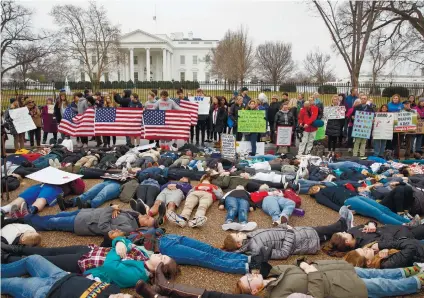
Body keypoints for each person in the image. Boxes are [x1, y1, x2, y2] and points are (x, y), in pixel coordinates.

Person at [235, 259, 424, 298]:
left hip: (337, 270)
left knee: (378, 274)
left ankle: (411, 271)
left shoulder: (273, 272)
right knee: (384, 286)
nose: (252, 275)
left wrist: (303, 264)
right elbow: (315, 296)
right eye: (249, 279)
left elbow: (297, 264)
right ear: (254, 290)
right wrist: (311, 272)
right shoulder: (278, 295)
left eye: (248, 274)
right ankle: (418, 282)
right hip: (340, 286)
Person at [222, 206, 354, 257]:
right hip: (299, 240)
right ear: (239, 244)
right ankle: (343, 223)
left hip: (296, 233)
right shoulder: (257, 249)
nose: (240, 232)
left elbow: (271, 233)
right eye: (237, 235)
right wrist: (290, 233)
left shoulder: (250, 236)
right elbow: (283, 253)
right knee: (325, 230)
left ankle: (343, 228)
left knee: (324, 233)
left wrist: (284, 227)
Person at [0, 255, 128, 298]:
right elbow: (104, 272)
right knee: (33, 259)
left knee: (12, 283)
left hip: (47, 292)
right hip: (61, 275)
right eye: (126, 296)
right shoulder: (114, 289)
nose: (121, 296)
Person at [13, 204, 155, 235]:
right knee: (54, 216)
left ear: (145, 227)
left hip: (83, 223)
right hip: (85, 213)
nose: (148, 216)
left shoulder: (129, 228)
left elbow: (104, 227)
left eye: (149, 220)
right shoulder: (133, 215)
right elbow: (119, 209)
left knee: (52, 223)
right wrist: (116, 209)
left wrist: (111, 209)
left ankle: (24, 219)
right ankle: (27, 218)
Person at [322, 220, 424, 256]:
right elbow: (388, 241)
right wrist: (376, 230)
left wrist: (371, 224)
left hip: (396, 228)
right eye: (343, 234)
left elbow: (368, 222)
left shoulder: (352, 231)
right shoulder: (365, 247)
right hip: (403, 236)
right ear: (347, 241)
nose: (345, 231)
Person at [344, 238, 424, 269]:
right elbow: (411, 247)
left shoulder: (379, 256)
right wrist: (384, 245)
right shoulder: (386, 263)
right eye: (365, 251)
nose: (367, 248)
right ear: (368, 262)